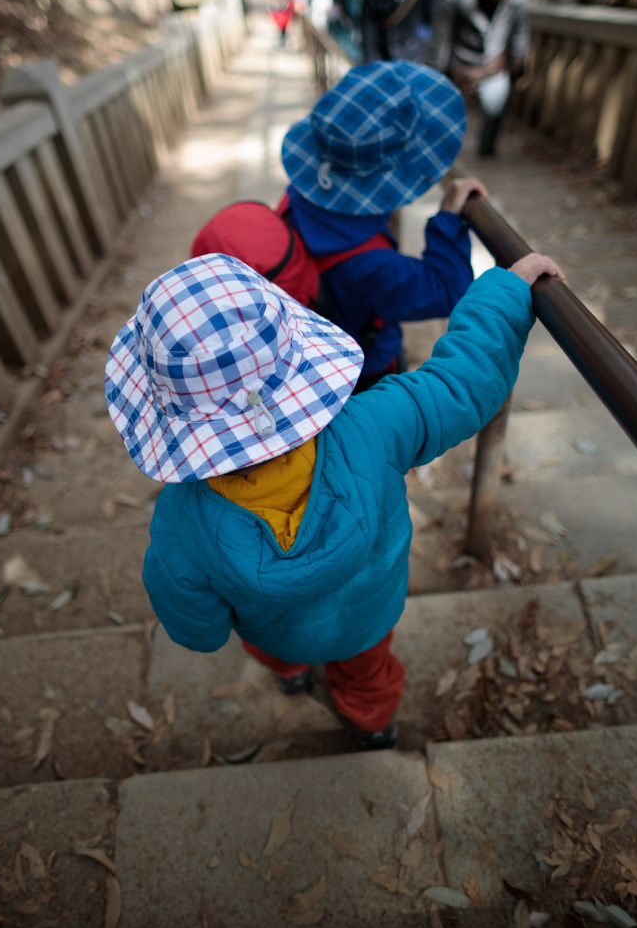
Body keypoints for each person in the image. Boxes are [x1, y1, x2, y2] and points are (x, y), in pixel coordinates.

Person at [104, 249, 564, 750]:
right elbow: (460, 384)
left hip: (278, 636)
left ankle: (292, 675)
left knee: (280, 654)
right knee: (369, 670)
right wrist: (507, 291)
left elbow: (200, 630)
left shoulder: (179, 527)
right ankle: (372, 722)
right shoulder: (376, 425)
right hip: (370, 615)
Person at [280, 59, 487, 390]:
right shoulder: (373, 266)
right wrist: (448, 218)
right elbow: (448, 288)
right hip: (362, 377)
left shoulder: (303, 194)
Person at [426, 0, 530, 158]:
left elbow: (520, 32)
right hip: (459, 63)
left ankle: (487, 152)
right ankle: (442, 149)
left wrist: (517, 62)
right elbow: (442, 37)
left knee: (495, 109)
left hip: (494, 64)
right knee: (447, 111)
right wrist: (440, 70)